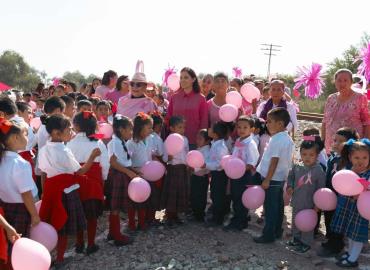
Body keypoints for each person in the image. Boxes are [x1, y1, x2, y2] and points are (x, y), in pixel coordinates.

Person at [37, 114, 101, 267]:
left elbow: (43, 173)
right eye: (68, 130)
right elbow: (80, 171)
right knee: (63, 224)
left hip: (50, 188)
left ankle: (48, 256)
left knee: (51, 222)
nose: (71, 132)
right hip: (65, 190)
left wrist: (44, 191)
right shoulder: (64, 151)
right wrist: (92, 156)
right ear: (57, 133)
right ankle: (60, 258)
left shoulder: (44, 149)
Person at [67, 111, 109, 255]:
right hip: (94, 183)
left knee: (79, 214)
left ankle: (79, 243)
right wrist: (103, 179)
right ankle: (91, 243)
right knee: (92, 216)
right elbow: (105, 165)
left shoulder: (70, 144)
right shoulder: (98, 143)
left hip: (76, 183)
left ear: (76, 126)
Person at [318, 127, 359, 257]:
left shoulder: (350, 161)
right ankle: (330, 238)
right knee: (328, 217)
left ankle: (336, 245)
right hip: (330, 195)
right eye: (335, 140)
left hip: (342, 197)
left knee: (338, 221)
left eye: (340, 141)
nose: (335, 143)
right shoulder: (333, 157)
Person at [254, 108, 294, 243]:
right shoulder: (287, 138)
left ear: (280, 124)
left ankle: (268, 234)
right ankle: (277, 231)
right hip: (280, 178)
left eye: (270, 121)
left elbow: (274, 161)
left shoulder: (277, 139)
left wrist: (267, 179)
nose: (267, 124)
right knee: (278, 205)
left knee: (270, 207)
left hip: (272, 179)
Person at [330, 139, 370, 268]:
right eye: (357, 157)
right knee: (350, 232)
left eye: (364, 157)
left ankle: (353, 259)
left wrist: (364, 188)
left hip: (360, 211)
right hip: (348, 207)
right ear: (350, 157)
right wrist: (353, 173)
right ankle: (349, 253)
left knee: (357, 234)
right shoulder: (348, 170)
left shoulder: (368, 174)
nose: (361, 161)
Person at [0, 118, 40, 240]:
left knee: (11, 240)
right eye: (25, 134)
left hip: (5, 207)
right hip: (23, 209)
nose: (27, 137)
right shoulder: (20, 163)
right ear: (14, 138)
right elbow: (26, 194)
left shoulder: (3, 160)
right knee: (23, 239)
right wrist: (34, 215)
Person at [286, 136, 326, 253]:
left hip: (310, 204)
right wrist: (290, 186)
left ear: (317, 155)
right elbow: (291, 177)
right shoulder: (297, 166)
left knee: (307, 223)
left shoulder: (318, 170)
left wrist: (318, 204)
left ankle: (306, 242)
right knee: (295, 220)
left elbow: (321, 189)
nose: (307, 158)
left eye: (311, 155)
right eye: (304, 154)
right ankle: (296, 238)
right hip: (297, 200)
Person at [225, 116, 260, 232]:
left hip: (245, 175)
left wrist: (241, 169)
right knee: (235, 196)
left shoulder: (250, 143)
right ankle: (237, 217)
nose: (241, 130)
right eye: (239, 127)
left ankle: (241, 221)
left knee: (242, 198)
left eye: (245, 127)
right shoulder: (239, 140)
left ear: (252, 129)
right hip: (235, 175)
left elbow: (252, 161)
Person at [322, 69, 370, 153]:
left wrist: (364, 143)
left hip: (352, 146)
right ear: (335, 82)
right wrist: (322, 140)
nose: (342, 83)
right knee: (332, 165)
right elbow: (325, 121)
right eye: (339, 80)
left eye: (345, 80)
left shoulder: (360, 98)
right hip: (331, 145)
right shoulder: (331, 98)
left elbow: (367, 123)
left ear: (351, 82)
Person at [106, 115, 135, 246]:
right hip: (118, 175)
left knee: (116, 206)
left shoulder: (120, 141)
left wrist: (132, 170)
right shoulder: (115, 142)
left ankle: (113, 232)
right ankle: (117, 235)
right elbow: (113, 162)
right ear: (121, 129)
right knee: (115, 206)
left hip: (122, 173)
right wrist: (128, 172)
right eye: (130, 129)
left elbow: (123, 159)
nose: (131, 132)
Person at [167, 67, 208, 149]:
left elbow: (204, 121)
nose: (182, 80)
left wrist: (202, 139)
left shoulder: (201, 98)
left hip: (194, 141)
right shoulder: (174, 97)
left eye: (186, 77)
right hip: (175, 140)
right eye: (181, 77)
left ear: (193, 79)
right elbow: (169, 117)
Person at [126, 113, 154, 231]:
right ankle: (131, 223)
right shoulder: (131, 143)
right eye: (148, 128)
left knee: (144, 199)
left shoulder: (150, 139)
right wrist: (134, 170)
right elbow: (127, 160)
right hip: (135, 174)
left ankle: (142, 222)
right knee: (133, 201)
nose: (151, 130)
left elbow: (150, 155)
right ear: (140, 128)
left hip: (146, 174)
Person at [161, 116, 190, 226]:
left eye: (183, 127)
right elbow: (164, 157)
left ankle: (176, 215)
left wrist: (188, 163)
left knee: (180, 192)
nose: (182, 130)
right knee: (172, 193)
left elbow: (187, 153)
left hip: (182, 169)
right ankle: (169, 216)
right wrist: (168, 158)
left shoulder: (185, 139)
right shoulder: (169, 140)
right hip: (173, 169)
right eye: (179, 127)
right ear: (172, 128)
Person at [204, 121, 229, 226]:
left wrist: (206, 165)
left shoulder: (221, 147)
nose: (208, 129)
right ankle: (216, 216)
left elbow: (220, 164)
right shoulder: (215, 144)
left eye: (210, 128)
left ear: (215, 133)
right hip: (216, 174)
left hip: (220, 175)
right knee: (214, 194)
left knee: (218, 196)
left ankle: (218, 219)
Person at [190, 129, 211, 222]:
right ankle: (195, 213)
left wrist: (194, 168)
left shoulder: (207, 151)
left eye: (200, 139)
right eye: (197, 138)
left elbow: (204, 165)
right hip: (195, 176)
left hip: (201, 178)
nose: (197, 140)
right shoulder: (199, 149)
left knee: (200, 196)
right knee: (194, 195)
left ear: (207, 141)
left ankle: (200, 215)